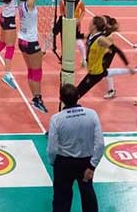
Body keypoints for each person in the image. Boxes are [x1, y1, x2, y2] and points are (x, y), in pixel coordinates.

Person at [47, 84, 104, 212]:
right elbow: (100, 144)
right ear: (78, 96)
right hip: (86, 163)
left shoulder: (56, 119)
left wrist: (53, 162)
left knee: (61, 198)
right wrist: (92, 166)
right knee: (88, 194)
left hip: (64, 163)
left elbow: (52, 148)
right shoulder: (92, 114)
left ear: (60, 99)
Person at [76, 16, 137, 99]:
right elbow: (77, 36)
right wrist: (75, 25)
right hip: (92, 70)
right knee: (108, 73)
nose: (89, 24)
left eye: (90, 22)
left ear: (94, 26)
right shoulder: (90, 35)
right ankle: (136, 70)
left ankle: (133, 71)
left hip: (96, 73)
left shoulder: (101, 39)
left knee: (76, 94)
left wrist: (127, 65)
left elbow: (117, 50)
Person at [17, 0, 49, 112]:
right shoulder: (30, 4)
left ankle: (35, 98)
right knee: (37, 71)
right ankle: (38, 98)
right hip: (30, 42)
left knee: (31, 70)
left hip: (22, 41)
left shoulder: (22, 4)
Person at [100, 15, 137, 99]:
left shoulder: (109, 35)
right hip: (103, 53)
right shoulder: (102, 31)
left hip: (108, 54)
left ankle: (136, 70)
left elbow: (109, 49)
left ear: (106, 24)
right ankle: (111, 90)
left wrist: (98, 54)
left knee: (105, 72)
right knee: (106, 72)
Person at [52, 0, 87, 65]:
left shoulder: (79, 1)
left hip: (75, 23)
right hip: (65, 21)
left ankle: (84, 59)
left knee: (77, 40)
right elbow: (61, 11)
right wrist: (64, 17)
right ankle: (63, 56)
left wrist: (79, 20)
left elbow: (83, 11)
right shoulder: (62, 0)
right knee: (57, 35)